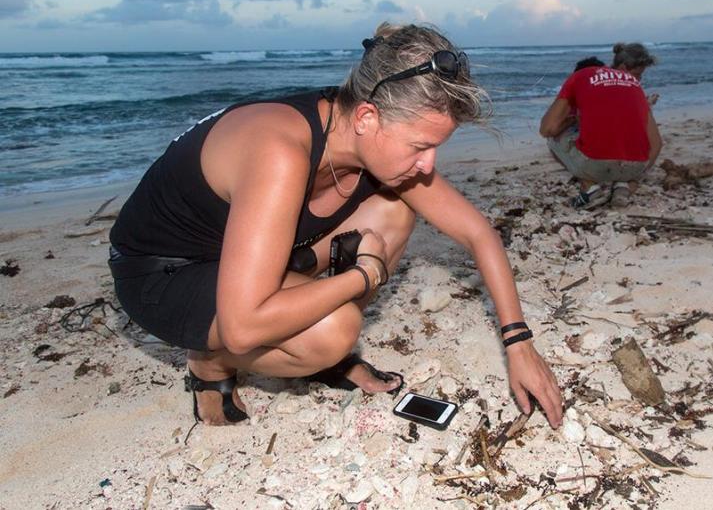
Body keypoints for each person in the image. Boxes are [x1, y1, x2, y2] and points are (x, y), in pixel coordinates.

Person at [108, 23, 563, 429]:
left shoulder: (358, 129)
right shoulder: (280, 151)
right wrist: (363, 275)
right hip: (164, 274)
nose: (429, 165)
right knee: (334, 331)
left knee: (393, 210)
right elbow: (243, 327)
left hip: (248, 255)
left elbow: (477, 233)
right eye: (420, 146)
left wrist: (518, 343)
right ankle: (211, 362)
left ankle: (308, 344)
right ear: (367, 117)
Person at [539, 43, 663, 209]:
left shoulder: (579, 77)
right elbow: (657, 143)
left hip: (595, 163)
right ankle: (626, 185)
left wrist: (572, 119)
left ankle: (589, 186)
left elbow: (547, 129)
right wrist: (637, 176)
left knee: (553, 139)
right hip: (634, 167)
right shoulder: (634, 84)